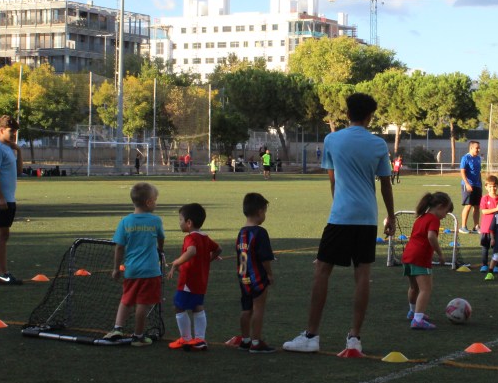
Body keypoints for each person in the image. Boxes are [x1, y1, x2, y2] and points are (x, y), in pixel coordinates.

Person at [283, 93, 395, 355]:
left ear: (347, 114)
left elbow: (333, 180)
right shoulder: (378, 144)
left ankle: (311, 335)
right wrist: (391, 216)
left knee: (322, 270)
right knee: (362, 275)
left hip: (341, 216)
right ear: (370, 116)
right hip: (367, 217)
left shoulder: (332, 139)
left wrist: (340, 203)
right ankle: (354, 338)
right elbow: (385, 184)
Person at [105, 182, 166, 347]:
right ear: (149, 202)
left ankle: (117, 328)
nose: (156, 203)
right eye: (155, 200)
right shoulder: (155, 220)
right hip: (150, 271)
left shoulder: (126, 221)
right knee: (143, 304)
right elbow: (161, 239)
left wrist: (116, 268)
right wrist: (160, 250)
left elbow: (119, 247)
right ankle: (138, 336)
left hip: (131, 269)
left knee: (126, 299)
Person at [166, 203, 221, 351]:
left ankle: (185, 339)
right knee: (197, 306)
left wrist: (176, 262)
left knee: (178, 306)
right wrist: (207, 260)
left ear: (189, 222)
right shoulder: (205, 237)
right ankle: (200, 339)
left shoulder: (190, 238)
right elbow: (218, 249)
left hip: (188, 280)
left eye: (180, 219)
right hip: (201, 280)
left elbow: (191, 251)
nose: (179, 223)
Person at [226, 192, 276, 353]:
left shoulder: (242, 232)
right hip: (257, 276)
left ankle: (245, 340)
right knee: (258, 308)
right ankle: (256, 341)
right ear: (260, 212)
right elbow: (265, 258)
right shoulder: (260, 232)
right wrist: (269, 274)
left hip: (243, 276)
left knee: (246, 309)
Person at [402, 192, 451, 330]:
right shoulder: (434, 219)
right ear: (440, 206)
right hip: (420, 257)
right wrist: (440, 254)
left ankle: (413, 312)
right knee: (426, 289)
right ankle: (417, 319)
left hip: (408, 255)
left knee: (414, 287)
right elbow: (431, 236)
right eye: (446, 212)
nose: (445, 216)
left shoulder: (421, 217)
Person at [0, 115, 23, 285]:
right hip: (0, 199)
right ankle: (3, 274)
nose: (14, 134)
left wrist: (19, 151)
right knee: (2, 235)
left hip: (8, 198)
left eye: (15, 131)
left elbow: (19, 171)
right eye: (11, 131)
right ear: (1, 130)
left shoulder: (8, 148)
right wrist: (0, 196)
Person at [478, 176, 498, 271]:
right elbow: (484, 211)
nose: (492, 188)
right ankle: (484, 265)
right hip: (486, 228)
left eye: (494, 186)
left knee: (497, 248)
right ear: (486, 187)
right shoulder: (485, 198)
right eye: (490, 186)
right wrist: (496, 209)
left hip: (497, 228)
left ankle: (496, 266)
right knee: (485, 247)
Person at [458, 141, 482, 234]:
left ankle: (476, 226)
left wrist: (480, 184)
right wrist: (467, 184)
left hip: (477, 185)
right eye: (477, 148)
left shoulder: (478, 158)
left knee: (477, 206)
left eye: (479, 148)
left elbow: (478, 172)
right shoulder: (465, 158)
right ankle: (463, 227)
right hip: (468, 185)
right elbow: (462, 172)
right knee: (468, 205)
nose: (478, 150)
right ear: (471, 148)